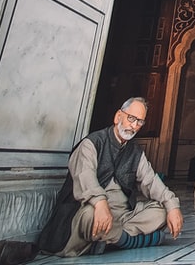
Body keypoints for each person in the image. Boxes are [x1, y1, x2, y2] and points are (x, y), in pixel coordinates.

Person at [37, 96, 184, 257]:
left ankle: (109, 239)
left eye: (140, 122)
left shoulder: (135, 152)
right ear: (118, 116)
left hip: (122, 218)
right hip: (86, 212)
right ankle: (126, 241)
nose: (134, 126)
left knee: (162, 211)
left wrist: (172, 206)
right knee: (91, 216)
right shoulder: (91, 144)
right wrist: (100, 204)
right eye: (131, 118)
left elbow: (151, 182)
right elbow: (85, 179)